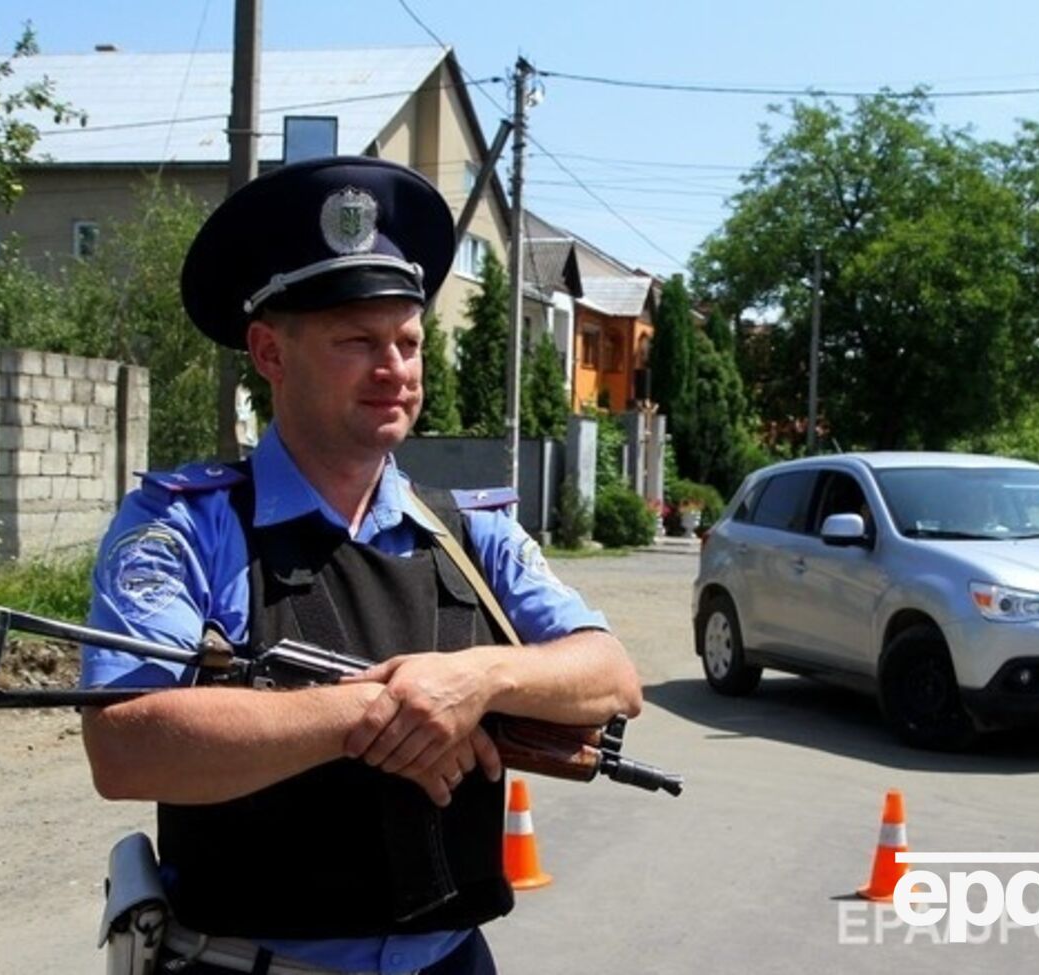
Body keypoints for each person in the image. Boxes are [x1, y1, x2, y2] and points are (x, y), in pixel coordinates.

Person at [80, 156, 644, 975]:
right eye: (357, 341)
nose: (395, 369)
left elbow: (610, 676)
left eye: (408, 340)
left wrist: (474, 682)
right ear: (270, 353)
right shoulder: (186, 527)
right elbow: (126, 744)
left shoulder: (466, 532)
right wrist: (378, 714)